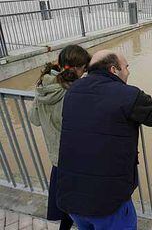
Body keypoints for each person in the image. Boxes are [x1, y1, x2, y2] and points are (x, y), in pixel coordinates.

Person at [57, 50, 152, 230]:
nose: (128, 71)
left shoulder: (73, 91)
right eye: (126, 67)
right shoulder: (127, 95)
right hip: (108, 202)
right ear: (114, 69)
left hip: (72, 196)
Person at [29, 44, 91, 230]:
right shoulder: (72, 92)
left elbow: (34, 119)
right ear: (78, 68)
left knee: (65, 202)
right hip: (75, 159)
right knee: (80, 204)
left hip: (56, 158)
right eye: (84, 68)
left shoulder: (44, 86)